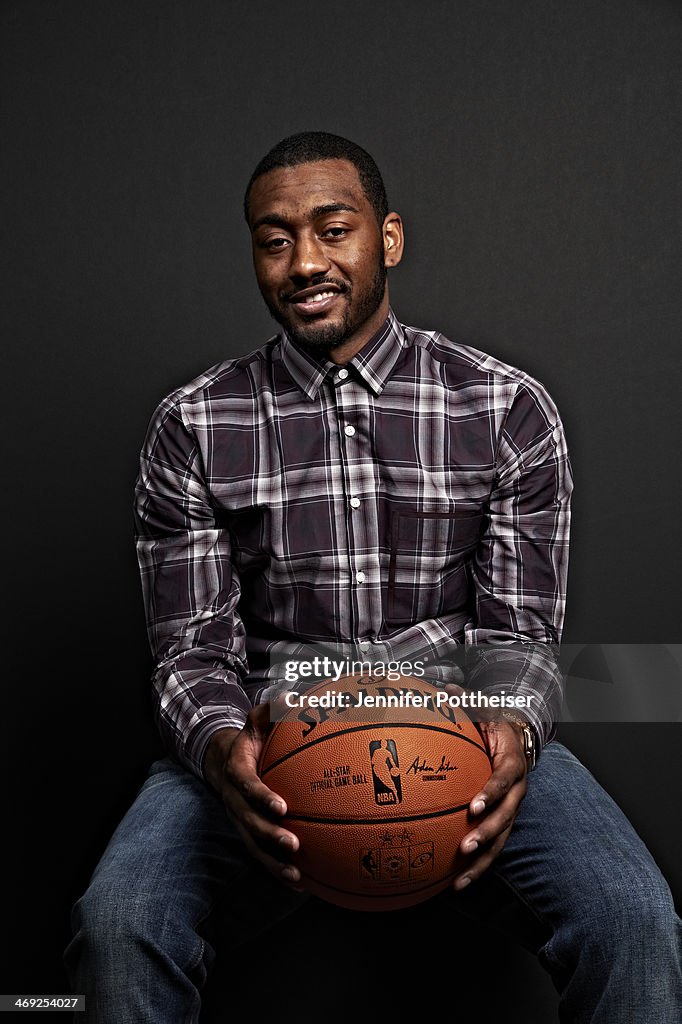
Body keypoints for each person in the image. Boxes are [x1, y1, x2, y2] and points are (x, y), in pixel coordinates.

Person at [65, 131, 682, 1022]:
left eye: (332, 229)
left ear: (387, 239)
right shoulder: (193, 426)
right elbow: (190, 652)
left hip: (458, 735)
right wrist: (220, 749)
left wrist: (509, 728)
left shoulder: (505, 408)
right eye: (274, 240)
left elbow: (516, 637)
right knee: (117, 923)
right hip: (270, 741)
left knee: (636, 920)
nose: (304, 261)